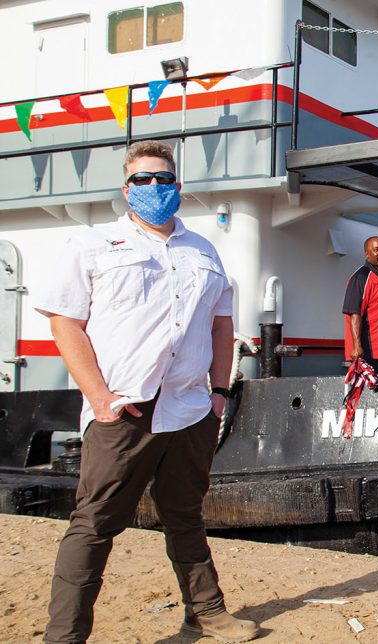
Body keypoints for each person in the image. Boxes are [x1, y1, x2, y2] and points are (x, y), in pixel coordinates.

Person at [36, 140, 260, 643]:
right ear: (126, 188)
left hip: (188, 409)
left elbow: (222, 326)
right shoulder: (92, 246)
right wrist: (99, 400)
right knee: (93, 524)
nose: (154, 187)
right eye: (143, 180)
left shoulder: (202, 250)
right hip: (124, 409)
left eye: (163, 179)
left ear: (177, 186)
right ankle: (65, 636)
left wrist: (219, 394)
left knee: (185, 514)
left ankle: (206, 612)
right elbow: (66, 325)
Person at [342, 236, 378, 374]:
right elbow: (354, 313)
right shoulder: (361, 277)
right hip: (369, 353)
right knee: (367, 394)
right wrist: (357, 346)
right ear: (367, 254)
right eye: (377, 249)